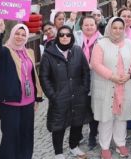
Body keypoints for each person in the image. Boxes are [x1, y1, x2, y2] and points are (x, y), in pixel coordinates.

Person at [0, 21, 43, 159]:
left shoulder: (29, 52)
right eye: (17, 34)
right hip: (10, 103)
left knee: (26, 135)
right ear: (12, 34)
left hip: (28, 102)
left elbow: (33, 75)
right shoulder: (5, 52)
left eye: (23, 34)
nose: (20, 37)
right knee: (10, 137)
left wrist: (37, 97)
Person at [91, 17, 131, 159]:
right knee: (105, 117)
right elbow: (96, 64)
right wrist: (111, 76)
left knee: (121, 116)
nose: (118, 31)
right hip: (107, 84)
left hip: (124, 85)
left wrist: (130, 74)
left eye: (120, 28)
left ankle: (120, 143)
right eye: (115, 27)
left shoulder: (130, 44)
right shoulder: (100, 44)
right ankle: (105, 146)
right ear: (109, 28)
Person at [40, 25, 90, 159]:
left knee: (77, 122)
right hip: (59, 96)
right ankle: (58, 153)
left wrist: (84, 89)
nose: (65, 37)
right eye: (61, 35)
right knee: (58, 125)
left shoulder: (77, 51)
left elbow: (85, 71)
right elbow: (44, 77)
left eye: (68, 34)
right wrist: (52, 95)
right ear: (57, 37)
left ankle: (74, 147)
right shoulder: (48, 54)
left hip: (78, 94)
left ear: (72, 36)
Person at [73, 14, 101, 148]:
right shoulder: (75, 38)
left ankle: (93, 135)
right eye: (86, 25)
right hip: (78, 79)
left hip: (96, 77)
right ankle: (77, 134)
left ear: (96, 26)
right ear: (81, 26)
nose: (89, 27)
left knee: (93, 108)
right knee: (79, 107)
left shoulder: (102, 40)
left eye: (92, 24)